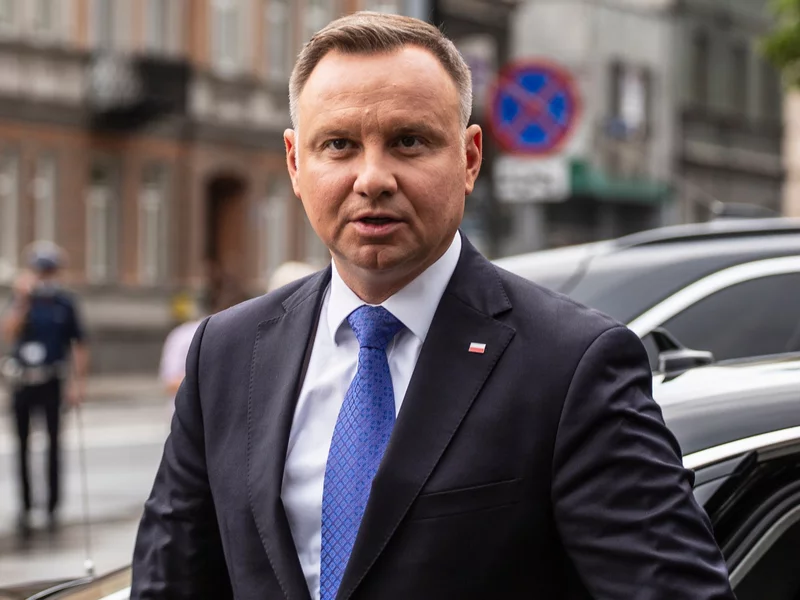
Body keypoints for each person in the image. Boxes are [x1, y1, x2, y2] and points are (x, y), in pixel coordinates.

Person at [131, 12, 735, 600]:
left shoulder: (570, 365)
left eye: (408, 142)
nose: (372, 178)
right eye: (339, 145)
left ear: (469, 158)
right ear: (295, 163)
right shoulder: (226, 355)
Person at [1, 242, 88, 537]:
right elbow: (8, 332)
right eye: (40, 271)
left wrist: (77, 384)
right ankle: (26, 506)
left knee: (53, 443)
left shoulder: (65, 303)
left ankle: (52, 506)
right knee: (21, 444)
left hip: (52, 380)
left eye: (49, 271)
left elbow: (78, 344)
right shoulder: (22, 301)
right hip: (23, 380)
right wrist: (22, 300)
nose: (44, 277)